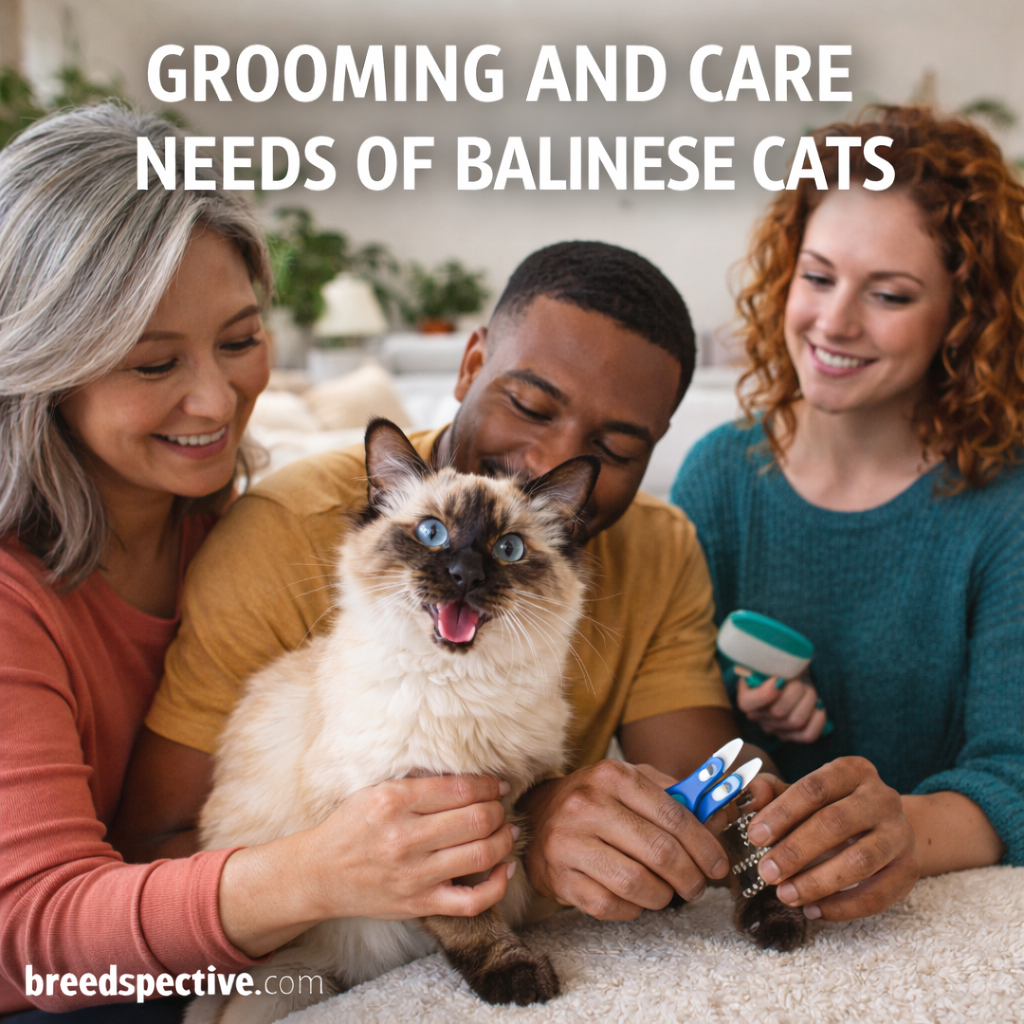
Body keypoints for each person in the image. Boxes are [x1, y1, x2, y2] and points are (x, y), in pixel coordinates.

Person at [0, 105, 513, 1020]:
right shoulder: (12, 596)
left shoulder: (236, 529)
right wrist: (318, 873)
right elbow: (33, 941)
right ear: (45, 364)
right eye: (154, 363)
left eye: (239, 341)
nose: (216, 398)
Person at [115, 240, 765, 951]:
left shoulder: (661, 545)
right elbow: (153, 849)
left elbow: (705, 798)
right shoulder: (286, 533)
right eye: (528, 405)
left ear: (657, 445)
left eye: (611, 452)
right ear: (470, 364)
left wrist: (779, 840)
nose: (549, 463)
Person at [672, 105, 1024, 923]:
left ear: (963, 319)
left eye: (891, 294)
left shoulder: (1004, 509)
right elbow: (681, 749)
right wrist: (741, 734)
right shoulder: (718, 477)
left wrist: (902, 828)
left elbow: (1014, 775)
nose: (833, 323)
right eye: (818, 276)